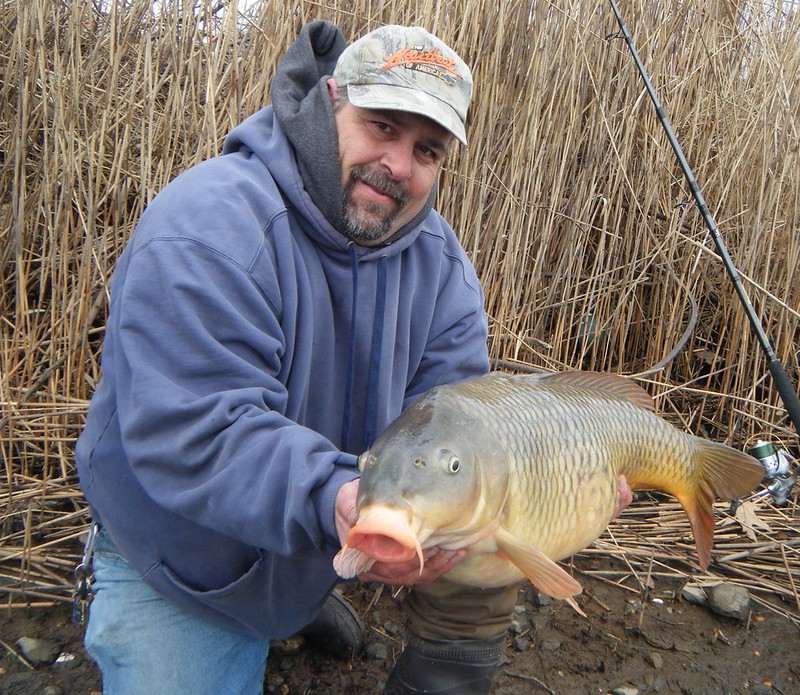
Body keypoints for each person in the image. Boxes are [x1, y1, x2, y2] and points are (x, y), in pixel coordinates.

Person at [75, 21, 631, 694]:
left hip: (343, 508)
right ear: (332, 102)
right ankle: (261, 594)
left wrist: (559, 483)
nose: (397, 165)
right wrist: (337, 496)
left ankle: (431, 663)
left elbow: (455, 426)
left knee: (485, 496)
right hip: (185, 552)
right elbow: (198, 433)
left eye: (426, 149)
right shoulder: (210, 224)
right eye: (382, 128)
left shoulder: (442, 268)